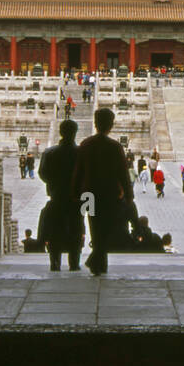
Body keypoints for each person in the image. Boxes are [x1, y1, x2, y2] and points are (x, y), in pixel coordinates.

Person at [72, 107, 132, 275]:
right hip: (109, 195)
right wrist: (129, 195)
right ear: (110, 125)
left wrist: (76, 192)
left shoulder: (86, 144)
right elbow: (123, 173)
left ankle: (98, 263)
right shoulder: (115, 147)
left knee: (95, 226)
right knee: (107, 227)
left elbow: (79, 171)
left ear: (96, 124)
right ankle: (97, 261)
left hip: (88, 194)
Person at [39, 118, 84, 271]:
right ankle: (74, 263)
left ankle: (55, 262)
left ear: (60, 132)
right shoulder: (81, 154)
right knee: (76, 230)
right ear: (75, 133)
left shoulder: (50, 153)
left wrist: (54, 183)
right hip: (76, 199)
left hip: (57, 196)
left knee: (55, 231)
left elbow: (43, 173)